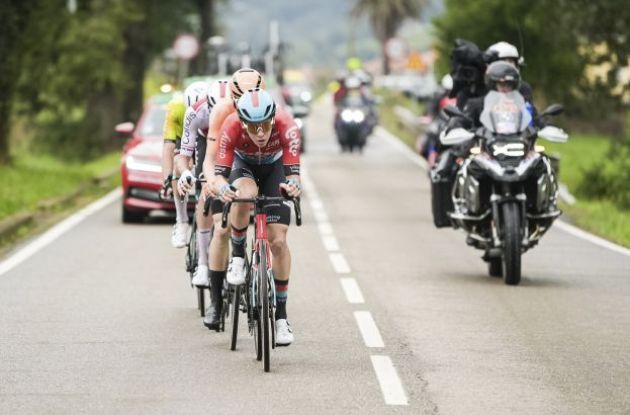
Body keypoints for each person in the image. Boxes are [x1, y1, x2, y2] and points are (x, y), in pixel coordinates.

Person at [213, 88, 301, 346]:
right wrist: (222, 189)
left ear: (273, 119)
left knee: (278, 242)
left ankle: (281, 317)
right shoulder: (230, 127)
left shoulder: (287, 125)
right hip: (244, 167)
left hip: (275, 168)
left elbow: (294, 173)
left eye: (264, 124)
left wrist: (294, 186)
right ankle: (238, 255)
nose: (260, 132)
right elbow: (219, 175)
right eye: (253, 127)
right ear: (242, 122)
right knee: (243, 194)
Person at [199, 68, 267, 330]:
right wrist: (212, 182)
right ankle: (216, 303)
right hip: (227, 168)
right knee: (222, 228)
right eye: (240, 101)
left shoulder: (267, 108)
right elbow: (211, 157)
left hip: (259, 167)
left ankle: (261, 277)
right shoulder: (223, 111)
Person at [175, 80, 226, 290]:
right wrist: (186, 173)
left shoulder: (235, 110)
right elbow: (183, 154)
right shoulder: (196, 112)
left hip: (227, 141)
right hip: (205, 140)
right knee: (205, 192)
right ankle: (204, 265)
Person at [160, 92, 189, 248]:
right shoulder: (176, 108)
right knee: (179, 170)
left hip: (204, 135)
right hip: (181, 137)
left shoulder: (212, 110)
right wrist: (167, 179)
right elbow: (168, 148)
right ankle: (181, 220)